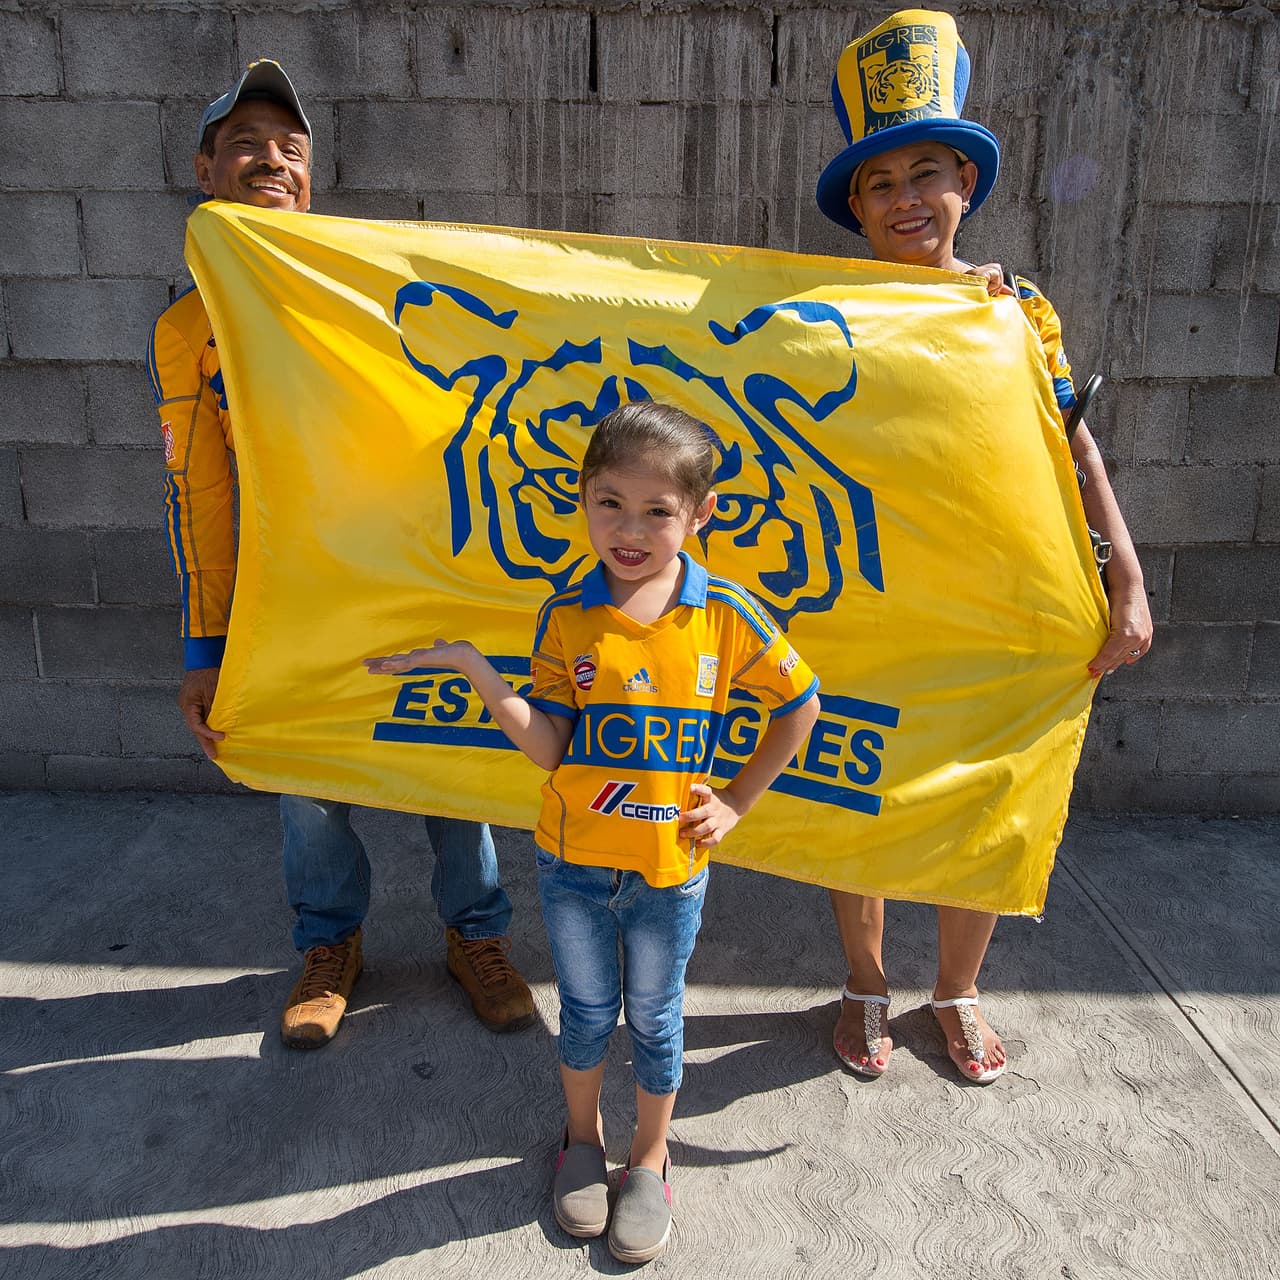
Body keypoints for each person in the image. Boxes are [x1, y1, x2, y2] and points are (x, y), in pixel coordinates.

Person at [365, 402, 821, 1262]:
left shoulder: (726, 613)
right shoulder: (565, 614)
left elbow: (802, 705)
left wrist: (737, 800)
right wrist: (475, 668)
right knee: (582, 1013)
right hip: (572, 865)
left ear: (700, 514)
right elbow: (551, 747)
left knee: (653, 1018)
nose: (630, 529)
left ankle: (648, 1157)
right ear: (582, 500)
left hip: (668, 871)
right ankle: (583, 1141)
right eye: (610, 503)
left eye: (657, 510)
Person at [147, 60, 534, 1049]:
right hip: (290, 608)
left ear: (311, 178)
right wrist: (204, 649)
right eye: (243, 145)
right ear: (203, 171)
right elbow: (201, 499)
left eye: (290, 148)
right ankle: (329, 948)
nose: (269, 160)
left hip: (413, 586)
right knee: (308, 787)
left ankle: (477, 936)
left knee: (454, 771)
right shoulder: (188, 331)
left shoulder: (366, 292)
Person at [813, 10, 1153, 1083]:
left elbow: (1072, 448)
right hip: (865, 600)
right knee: (856, 796)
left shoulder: (1018, 312)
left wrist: (1126, 575)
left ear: (964, 183)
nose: (903, 197)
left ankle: (955, 990)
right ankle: (864, 981)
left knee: (986, 795)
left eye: (925, 172)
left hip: (999, 603)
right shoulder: (820, 316)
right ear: (856, 206)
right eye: (879, 183)